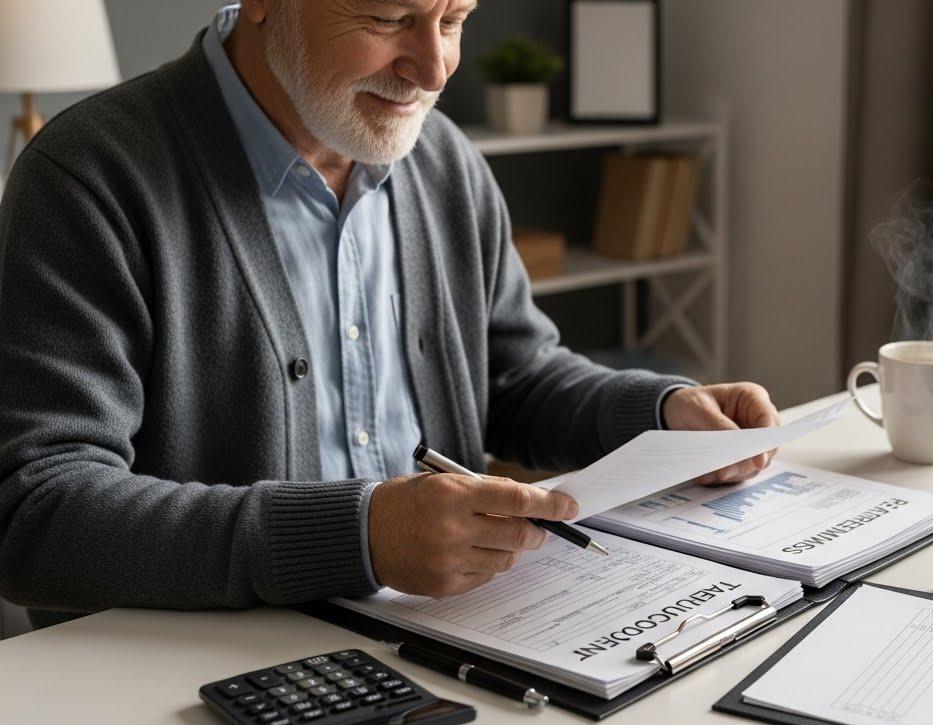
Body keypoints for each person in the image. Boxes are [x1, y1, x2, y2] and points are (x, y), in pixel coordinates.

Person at [0, 0, 777, 629]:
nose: (433, 69)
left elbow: (512, 379)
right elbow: (35, 513)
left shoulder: (441, 159)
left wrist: (659, 414)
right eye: (388, 19)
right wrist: (360, 536)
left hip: (437, 642)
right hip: (180, 685)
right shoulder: (89, 176)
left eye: (454, 20)